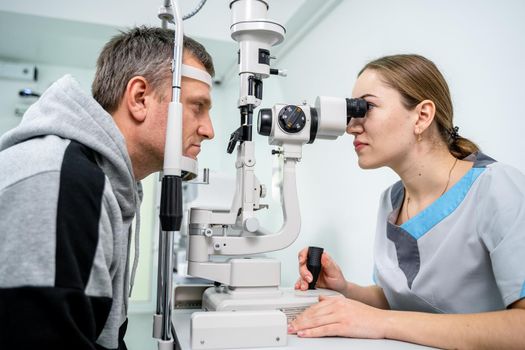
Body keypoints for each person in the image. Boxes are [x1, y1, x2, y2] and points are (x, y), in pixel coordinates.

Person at [289, 54, 525, 349]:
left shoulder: (497, 187)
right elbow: (395, 300)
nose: (351, 126)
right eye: (352, 111)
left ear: (422, 116)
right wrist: (345, 289)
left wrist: (381, 323)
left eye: (366, 107)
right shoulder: (391, 200)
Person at [0, 27, 214, 349]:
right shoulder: (60, 180)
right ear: (140, 98)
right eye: (198, 106)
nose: (208, 130)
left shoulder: (105, 185)